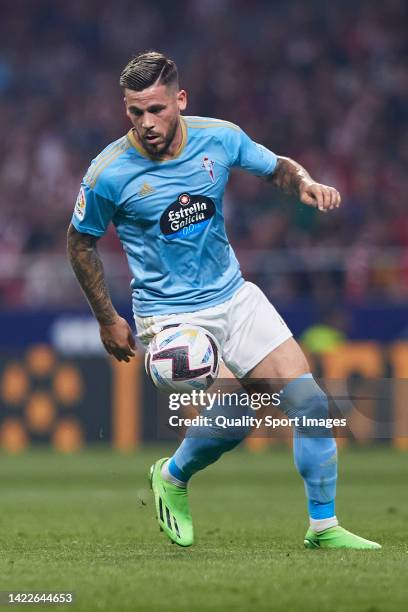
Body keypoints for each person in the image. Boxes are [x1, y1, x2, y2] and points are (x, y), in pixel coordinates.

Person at [67, 51, 380, 550]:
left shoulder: (220, 137)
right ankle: (174, 476)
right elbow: (79, 241)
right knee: (236, 418)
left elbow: (276, 166)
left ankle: (322, 527)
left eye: (156, 109)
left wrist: (303, 184)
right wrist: (107, 319)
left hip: (234, 297)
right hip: (169, 319)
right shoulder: (108, 173)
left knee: (311, 403)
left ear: (180, 100)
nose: (146, 123)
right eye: (134, 112)